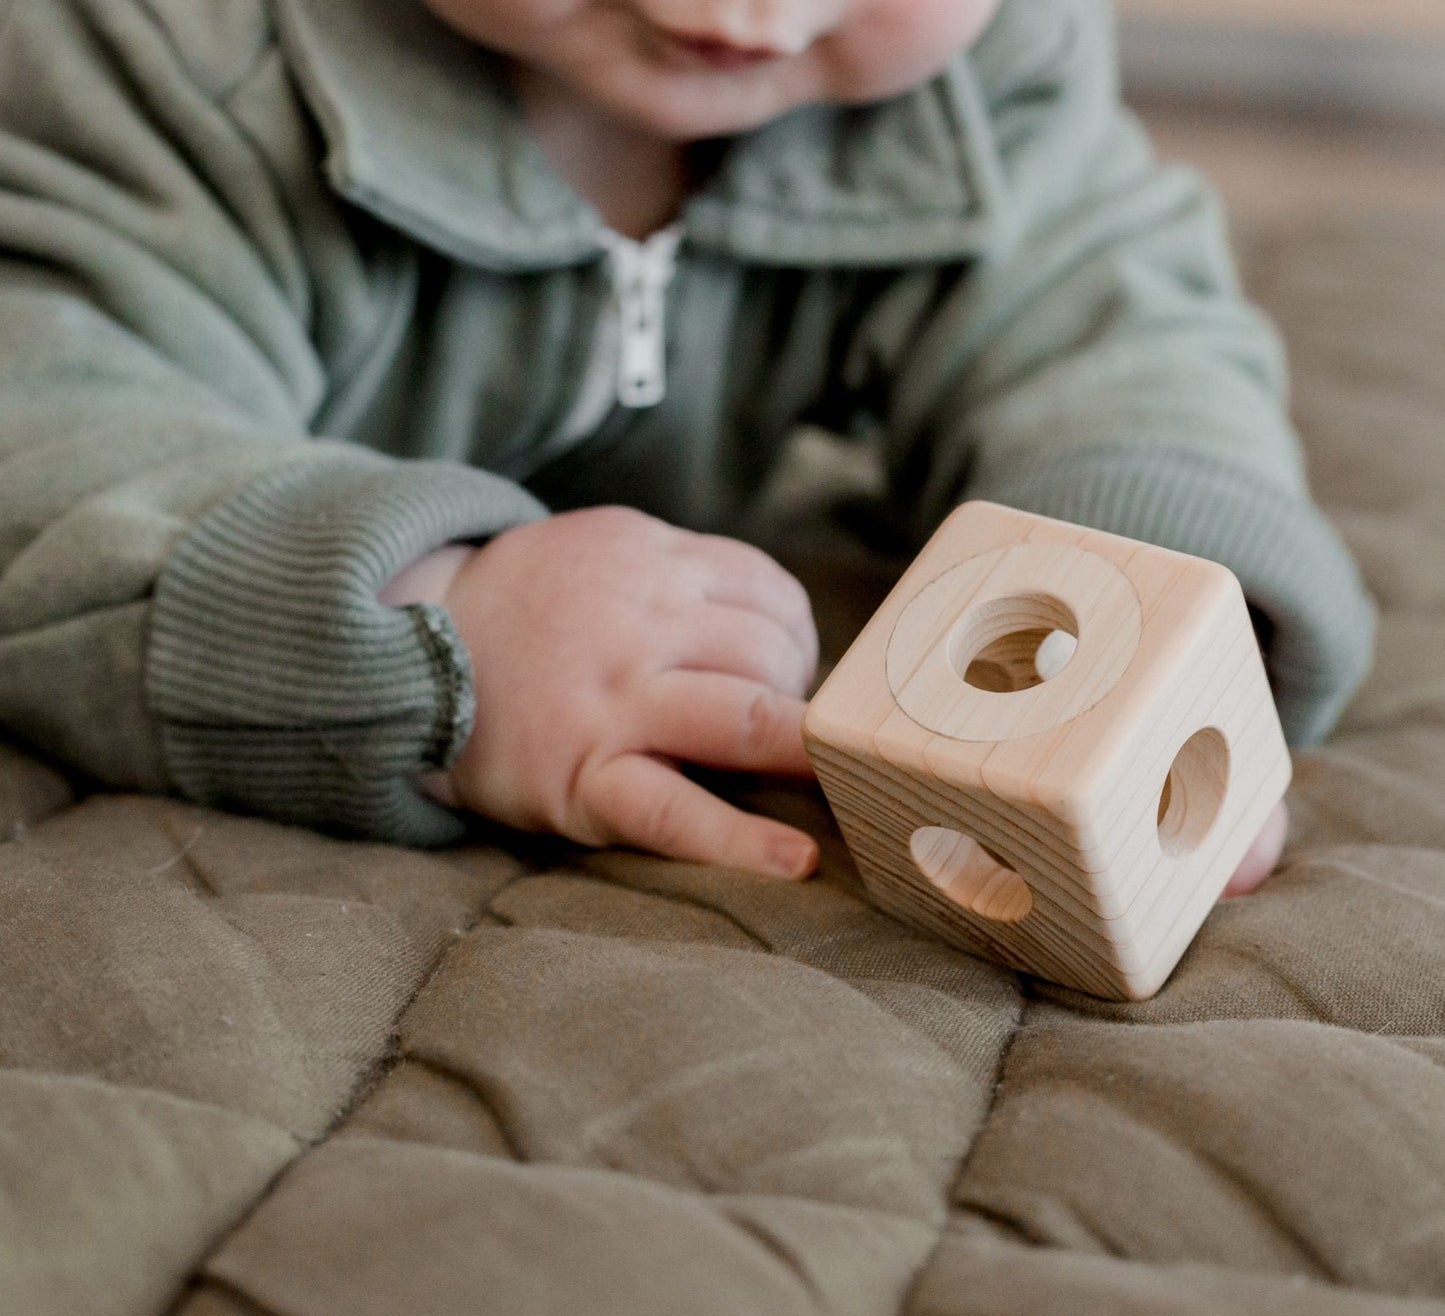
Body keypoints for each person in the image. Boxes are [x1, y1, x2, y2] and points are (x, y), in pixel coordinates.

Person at [0, 0, 1372, 895]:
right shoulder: (154, 54)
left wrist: (1160, 609)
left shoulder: (988, 64)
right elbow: (51, 427)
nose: (742, 11)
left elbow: (1105, 325)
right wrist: (429, 615)